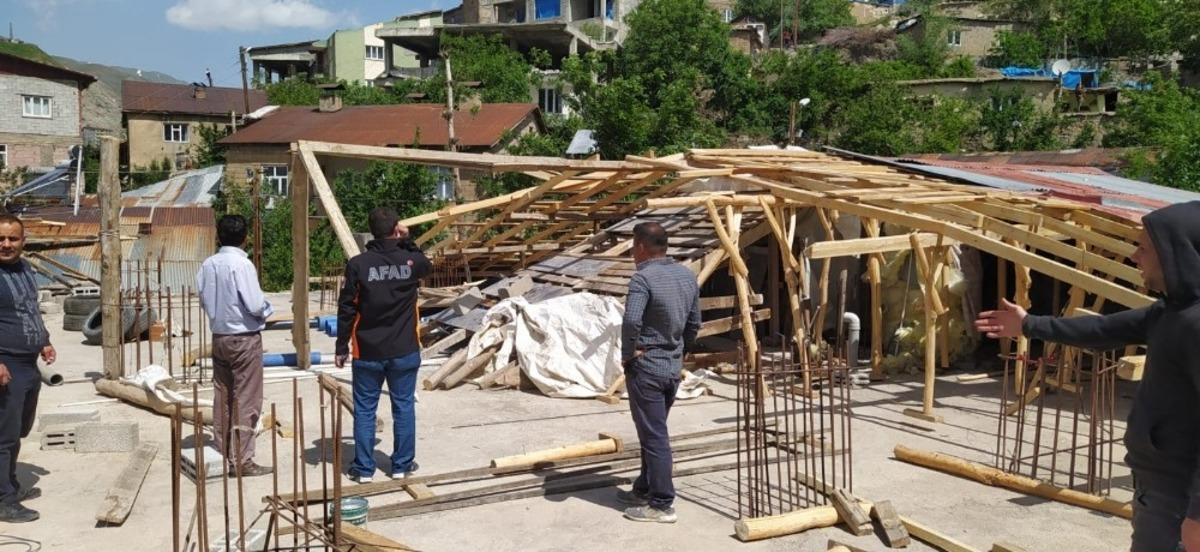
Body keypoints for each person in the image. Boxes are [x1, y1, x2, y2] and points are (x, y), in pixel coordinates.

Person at [975, 201, 1200, 552]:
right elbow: (1101, 328)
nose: (1134, 257)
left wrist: (1198, 516)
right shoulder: (1170, 312)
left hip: (1179, 494)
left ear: (1176, 254)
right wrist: (1028, 324)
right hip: (1159, 484)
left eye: (1143, 247)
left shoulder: (1195, 324)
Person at [335, 207, 432, 483]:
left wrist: (342, 346)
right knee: (403, 407)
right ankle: (401, 464)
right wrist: (408, 240)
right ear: (395, 230)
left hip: (367, 350)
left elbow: (347, 308)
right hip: (404, 349)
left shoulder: (358, 264)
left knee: (365, 410)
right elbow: (426, 263)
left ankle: (364, 469)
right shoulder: (410, 261)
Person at [616, 221, 701, 524]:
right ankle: (644, 487)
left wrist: (628, 356)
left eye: (631, 246)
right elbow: (694, 323)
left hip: (647, 368)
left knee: (655, 437)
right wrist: (681, 353)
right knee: (651, 431)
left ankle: (662, 503)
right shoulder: (687, 276)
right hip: (671, 369)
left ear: (640, 246)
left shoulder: (643, 278)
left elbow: (631, 322)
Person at [196, 215, 273, 477]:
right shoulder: (242, 265)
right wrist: (266, 310)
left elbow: (204, 299)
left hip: (219, 337)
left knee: (223, 398)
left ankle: (221, 451)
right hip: (244, 337)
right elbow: (254, 303)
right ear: (245, 237)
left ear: (219, 236)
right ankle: (242, 460)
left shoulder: (208, 264)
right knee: (246, 399)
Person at [0, 213, 53, 523]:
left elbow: (30, 309)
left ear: (23, 241)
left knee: (18, 430)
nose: (6, 244)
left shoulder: (25, 269)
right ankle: (4, 500)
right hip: (6, 365)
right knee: (3, 436)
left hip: (28, 364)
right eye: (1, 239)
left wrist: (44, 341)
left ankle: (11, 484)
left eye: (12, 238)